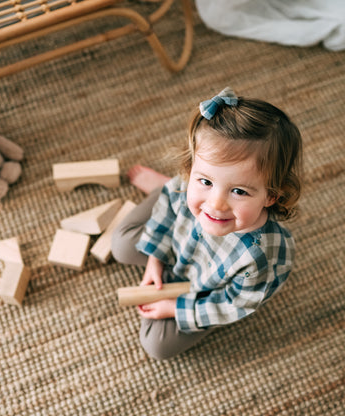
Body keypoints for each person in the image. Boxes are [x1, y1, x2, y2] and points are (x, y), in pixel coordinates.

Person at [112, 87, 303, 360]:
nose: (216, 204)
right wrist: (155, 260)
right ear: (191, 171)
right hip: (182, 247)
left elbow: (230, 304)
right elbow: (168, 213)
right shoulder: (197, 192)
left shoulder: (259, 258)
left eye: (239, 191)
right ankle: (166, 186)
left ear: (272, 195)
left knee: (157, 346)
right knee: (120, 244)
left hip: (207, 284)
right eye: (205, 181)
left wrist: (174, 308)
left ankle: (170, 188)